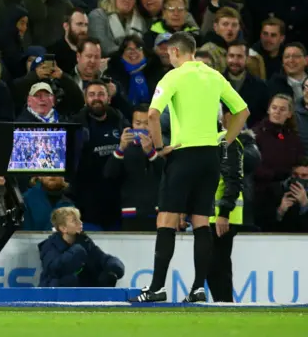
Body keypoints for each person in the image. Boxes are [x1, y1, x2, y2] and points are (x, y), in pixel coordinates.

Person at [130, 32, 250, 303]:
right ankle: (197, 288)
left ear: (174, 52)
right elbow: (242, 111)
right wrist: (226, 142)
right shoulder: (214, 76)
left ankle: (157, 287)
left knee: (167, 220)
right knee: (200, 222)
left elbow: (152, 114)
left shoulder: (174, 76)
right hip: (211, 157)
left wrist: (160, 148)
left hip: (183, 155)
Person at [207, 105, 260, 303]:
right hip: (209, 215)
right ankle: (224, 304)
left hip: (221, 216)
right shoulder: (213, 141)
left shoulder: (227, 142)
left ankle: (225, 304)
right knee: (214, 265)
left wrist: (224, 213)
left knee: (217, 265)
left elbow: (233, 180)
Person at [38, 207, 125, 288]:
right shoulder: (50, 245)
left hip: (81, 288)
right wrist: (76, 251)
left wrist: (114, 266)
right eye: (74, 221)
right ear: (63, 228)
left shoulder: (84, 241)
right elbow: (54, 269)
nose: (80, 223)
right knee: (68, 280)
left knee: (107, 277)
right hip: (54, 292)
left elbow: (101, 258)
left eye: (79, 219)